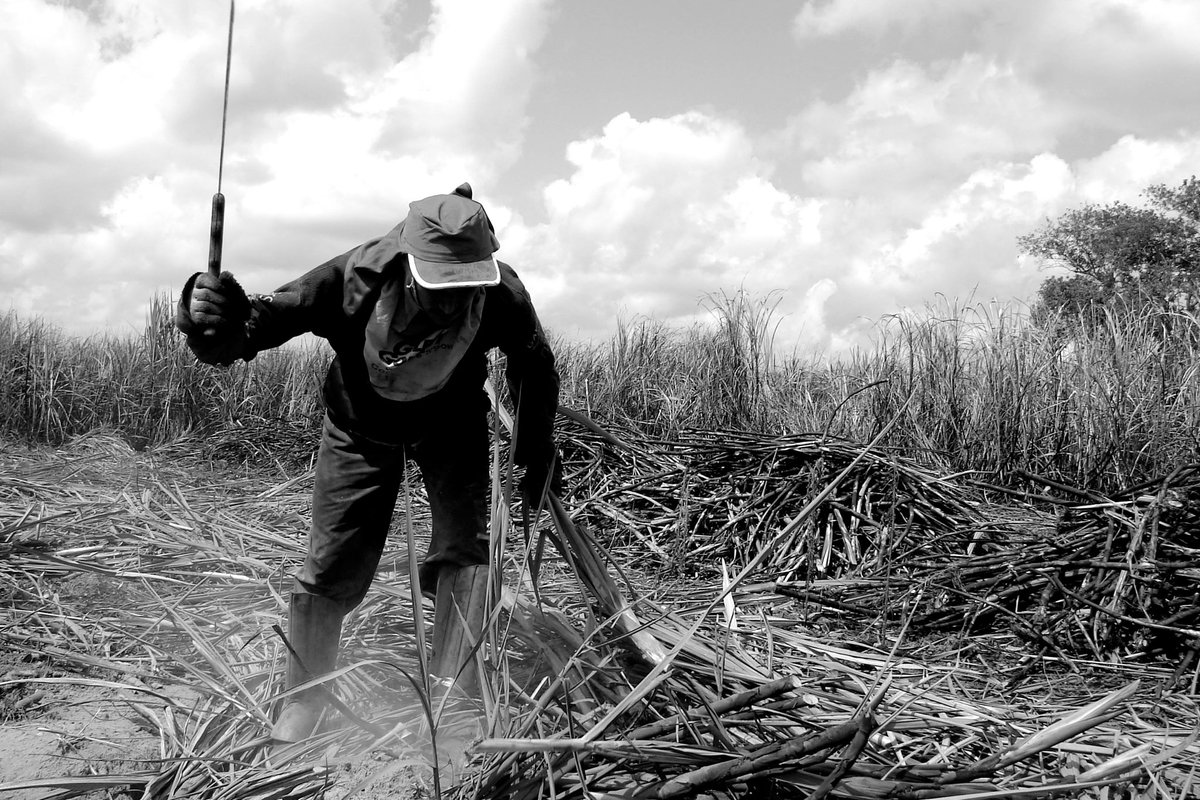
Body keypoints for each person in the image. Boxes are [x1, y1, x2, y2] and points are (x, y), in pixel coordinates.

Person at [175, 183, 562, 745]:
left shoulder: (500, 294)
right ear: (409, 265)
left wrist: (535, 451)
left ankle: (452, 694)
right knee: (331, 560)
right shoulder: (351, 281)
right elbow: (256, 325)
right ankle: (305, 700)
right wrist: (212, 318)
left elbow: (535, 367)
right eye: (439, 288)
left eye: (464, 288)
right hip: (359, 424)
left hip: (451, 422)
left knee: (467, 549)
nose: (452, 303)